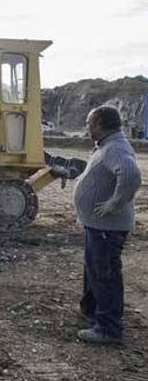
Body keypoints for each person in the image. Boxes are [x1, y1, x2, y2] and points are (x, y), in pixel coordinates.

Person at [73, 105, 142, 344]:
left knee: (106, 275)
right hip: (98, 225)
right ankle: (91, 311)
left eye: (89, 122)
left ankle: (109, 328)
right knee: (94, 269)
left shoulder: (115, 148)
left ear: (100, 125)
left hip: (107, 227)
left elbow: (131, 175)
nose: (87, 126)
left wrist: (114, 204)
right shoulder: (107, 145)